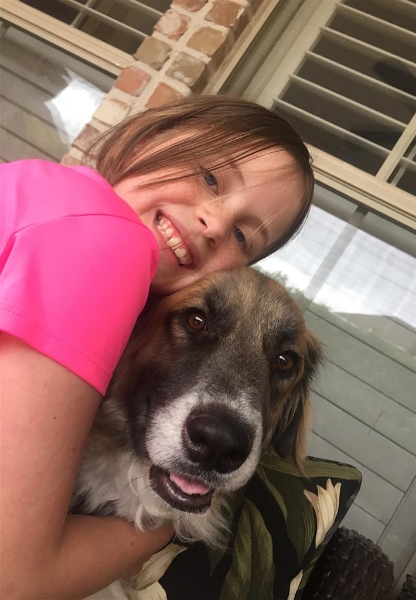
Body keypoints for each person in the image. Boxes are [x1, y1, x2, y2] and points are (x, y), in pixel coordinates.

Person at [0, 95, 314, 598]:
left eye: (242, 236)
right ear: (147, 136)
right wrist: (158, 532)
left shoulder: (43, 193)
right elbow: (13, 579)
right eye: (210, 177)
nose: (215, 222)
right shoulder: (105, 244)